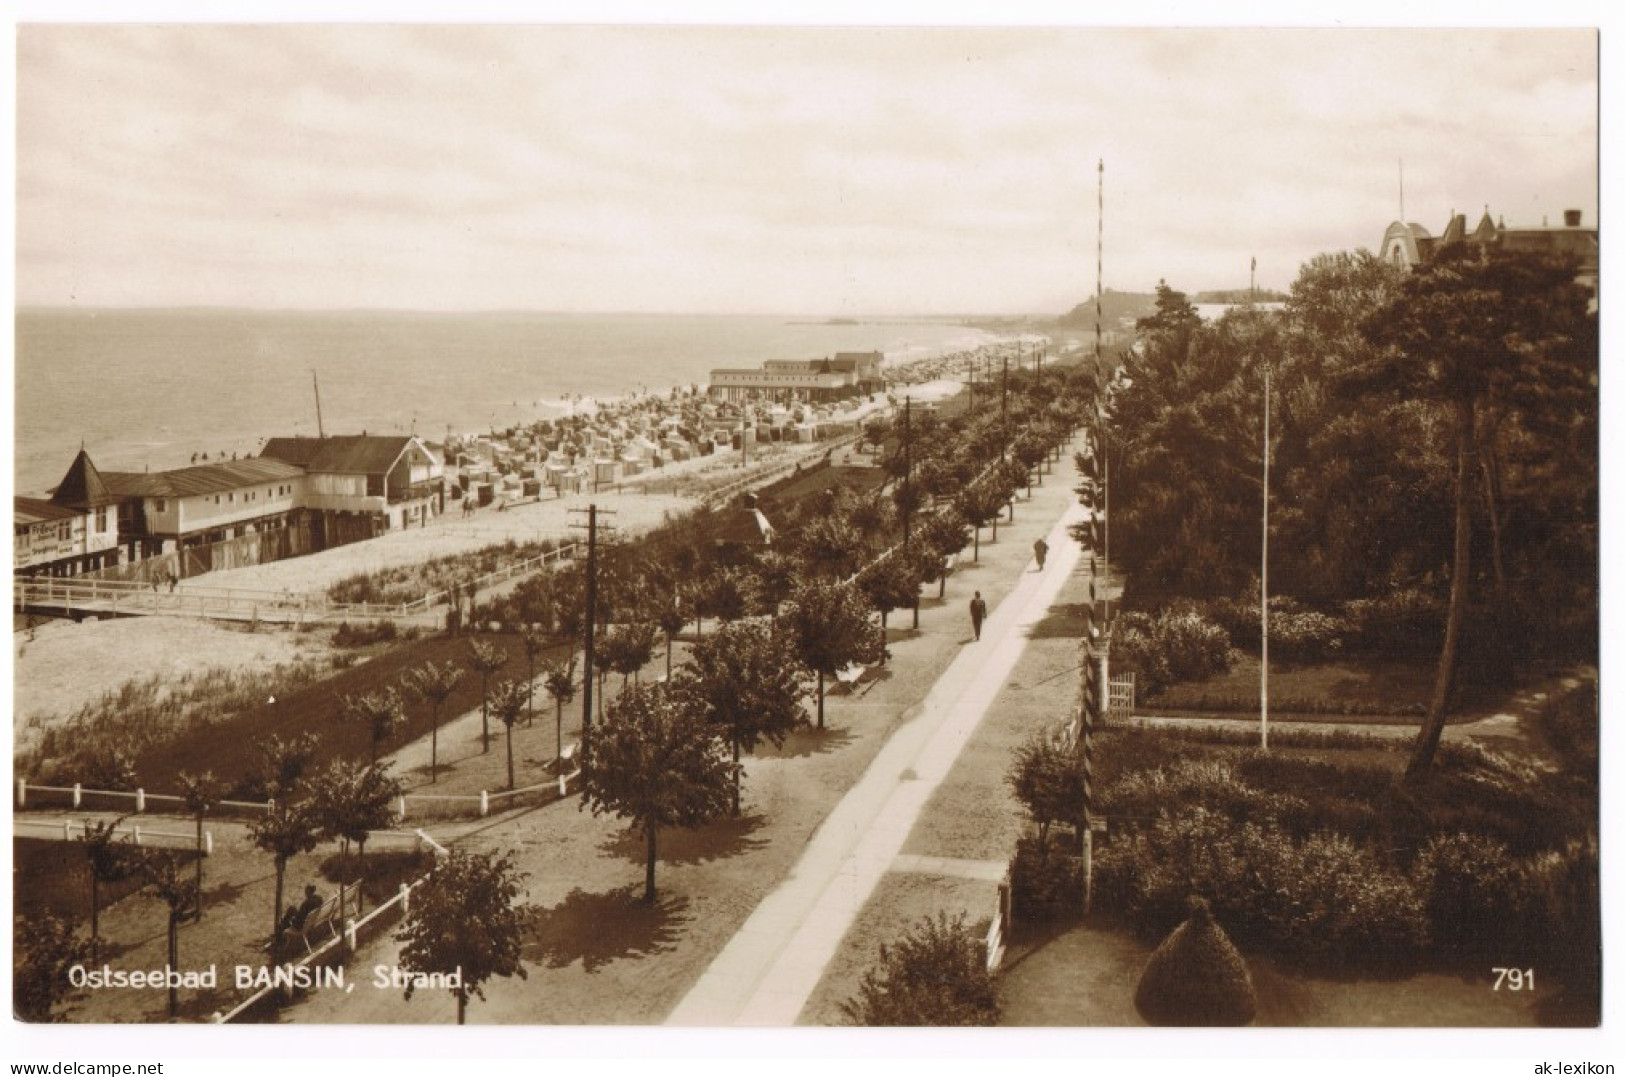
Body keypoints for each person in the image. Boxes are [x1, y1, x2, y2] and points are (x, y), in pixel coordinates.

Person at [274, 883, 324, 953]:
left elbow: (298, 919)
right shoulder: (319, 899)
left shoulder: (306, 903)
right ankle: (282, 926)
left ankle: (280, 936)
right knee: (292, 909)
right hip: (311, 920)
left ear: (308, 891)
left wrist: (291, 919)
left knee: (290, 911)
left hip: (301, 926)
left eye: (306, 891)